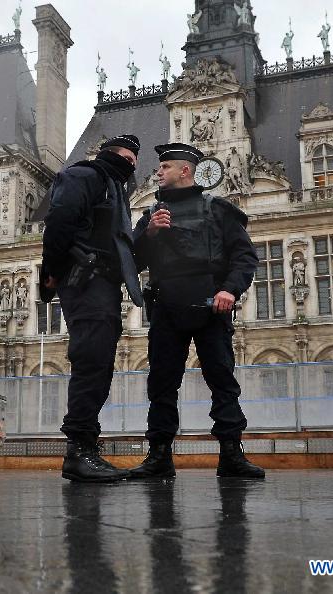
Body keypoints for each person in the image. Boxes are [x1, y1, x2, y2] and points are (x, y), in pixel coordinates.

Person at [129, 142, 265, 479]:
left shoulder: (218, 209)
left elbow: (245, 257)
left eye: (164, 168)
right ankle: (159, 455)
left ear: (184, 171)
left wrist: (229, 290)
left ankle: (231, 454)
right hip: (166, 309)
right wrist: (148, 234)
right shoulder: (151, 216)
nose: (157, 173)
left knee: (222, 381)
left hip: (211, 307)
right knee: (161, 384)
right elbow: (132, 261)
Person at [41, 134, 144, 482]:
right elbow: (58, 223)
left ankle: (87, 446)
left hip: (103, 284)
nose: (132, 165)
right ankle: (79, 451)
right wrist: (52, 271)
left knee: (99, 364)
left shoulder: (114, 189)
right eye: (129, 158)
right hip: (85, 280)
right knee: (90, 361)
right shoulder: (85, 176)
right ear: (113, 156)